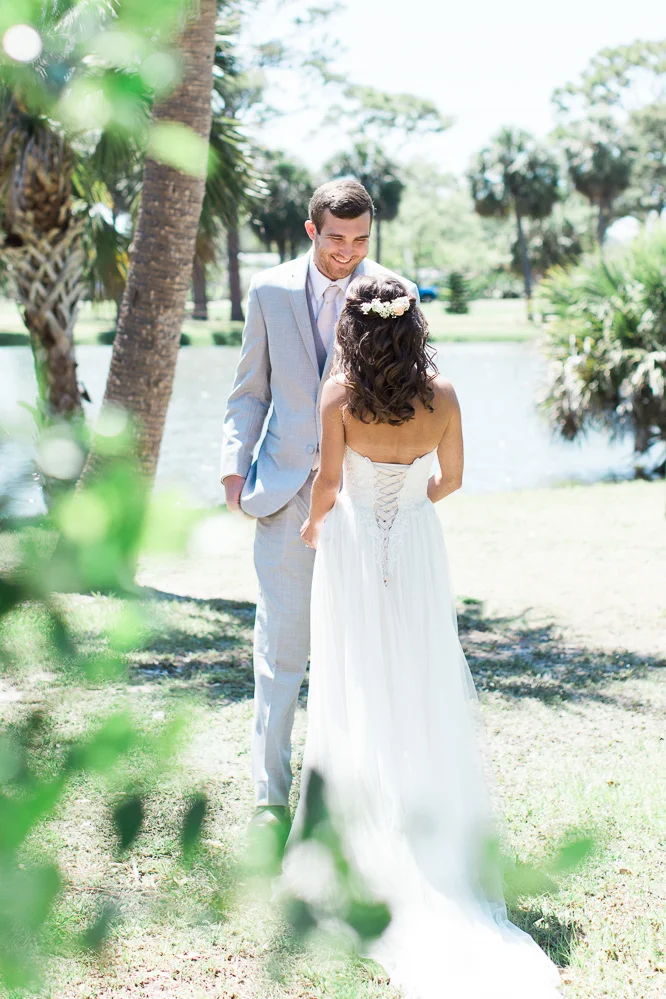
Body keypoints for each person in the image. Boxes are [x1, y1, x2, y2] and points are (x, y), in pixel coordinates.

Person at [289, 274, 563, 998]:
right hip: (416, 544)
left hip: (352, 548)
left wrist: (316, 525)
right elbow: (454, 478)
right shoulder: (444, 395)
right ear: (414, 327)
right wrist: (413, 500)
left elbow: (328, 483)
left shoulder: (339, 395)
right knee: (418, 674)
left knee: (357, 677)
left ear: (354, 331)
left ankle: (357, 842)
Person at [220, 179, 418, 832]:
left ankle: (361, 798)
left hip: (362, 496)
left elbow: (407, 395)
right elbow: (250, 390)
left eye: (361, 239)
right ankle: (269, 801)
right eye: (336, 238)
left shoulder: (394, 292)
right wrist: (233, 467)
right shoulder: (269, 291)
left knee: (365, 648)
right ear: (311, 231)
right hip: (283, 493)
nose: (348, 252)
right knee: (280, 651)